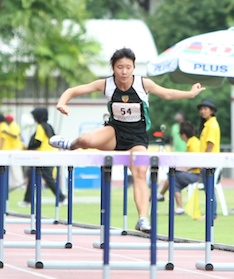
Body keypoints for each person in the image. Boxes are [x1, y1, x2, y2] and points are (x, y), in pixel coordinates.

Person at [48, 47, 205, 233]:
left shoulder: (143, 84)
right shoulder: (106, 84)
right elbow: (73, 90)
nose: (124, 71)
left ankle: (142, 219)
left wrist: (190, 94)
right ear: (113, 68)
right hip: (114, 132)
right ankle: (70, 145)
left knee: (140, 172)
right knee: (85, 139)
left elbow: (167, 94)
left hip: (137, 138)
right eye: (119, 67)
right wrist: (62, 103)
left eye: (128, 67)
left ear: (133, 67)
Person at [19, 108, 67, 207]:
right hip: (49, 155)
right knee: (32, 175)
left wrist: (28, 147)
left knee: (48, 178)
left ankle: (62, 198)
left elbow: (38, 142)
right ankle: (27, 200)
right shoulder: (48, 126)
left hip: (42, 157)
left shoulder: (41, 127)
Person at [157, 121, 201, 214]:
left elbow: (199, 163)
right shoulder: (192, 142)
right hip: (194, 174)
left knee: (173, 175)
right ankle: (179, 207)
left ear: (183, 135)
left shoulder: (193, 145)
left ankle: (161, 195)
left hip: (198, 175)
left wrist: (187, 168)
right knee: (174, 178)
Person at [197, 98, 220, 220]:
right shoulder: (208, 124)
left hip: (209, 160)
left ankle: (212, 214)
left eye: (205, 109)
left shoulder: (212, 125)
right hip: (208, 160)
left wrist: (204, 160)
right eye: (201, 109)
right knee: (208, 188)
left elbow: (210, 144)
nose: (202, 111)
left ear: (211, 111)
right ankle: (211, 213)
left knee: (209, 188)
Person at [1, 114, 25, 191]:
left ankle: (19, 183)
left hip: (15, 148)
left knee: (16, 167)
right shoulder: (10, 126)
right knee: (12, 168)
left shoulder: (14, 126)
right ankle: (14, 184)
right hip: (12, 148)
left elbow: (15, 136)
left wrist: (6, 132)